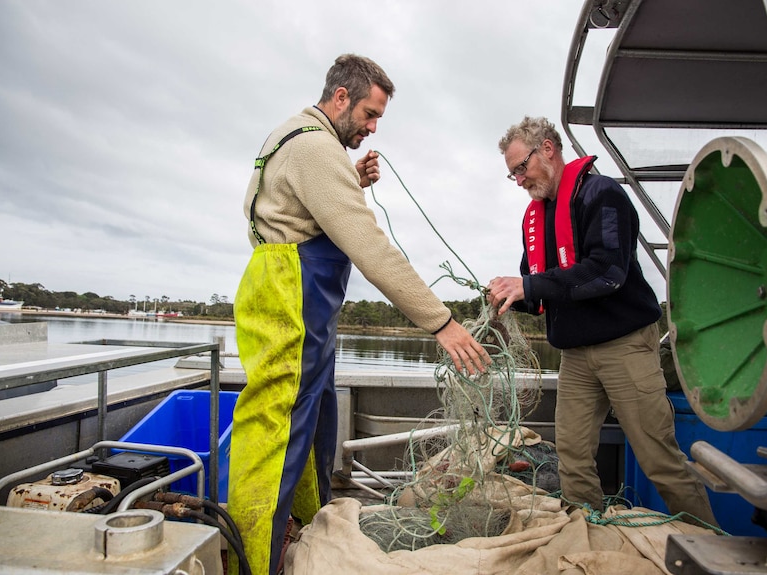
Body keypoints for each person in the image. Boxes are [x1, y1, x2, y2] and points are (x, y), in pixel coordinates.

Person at [228, 54, 491, 575]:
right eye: (370, 115)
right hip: (291, 300)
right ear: (341, 97)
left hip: (295, 302)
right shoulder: (315, 146)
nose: (372, 129)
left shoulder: (299, 137)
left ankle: (300, 532)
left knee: (315, 423)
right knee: (276, 434)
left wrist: (353, 181)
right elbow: (370, 247)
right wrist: (441, 321)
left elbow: (300, 206)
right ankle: (254, 561)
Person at [485, 116, 716, 526]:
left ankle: (712, 543)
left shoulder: (602, 195)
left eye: (521, 168)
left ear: (549, 150)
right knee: (572, 456)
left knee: (657, 457)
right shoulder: (535, 219)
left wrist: (528, 286)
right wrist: (508, 296)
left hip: (624, 345)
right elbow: (539, 292)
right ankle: (589, 536)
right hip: (575, 356)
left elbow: (607, 271)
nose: (518, 180)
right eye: (512, 174)